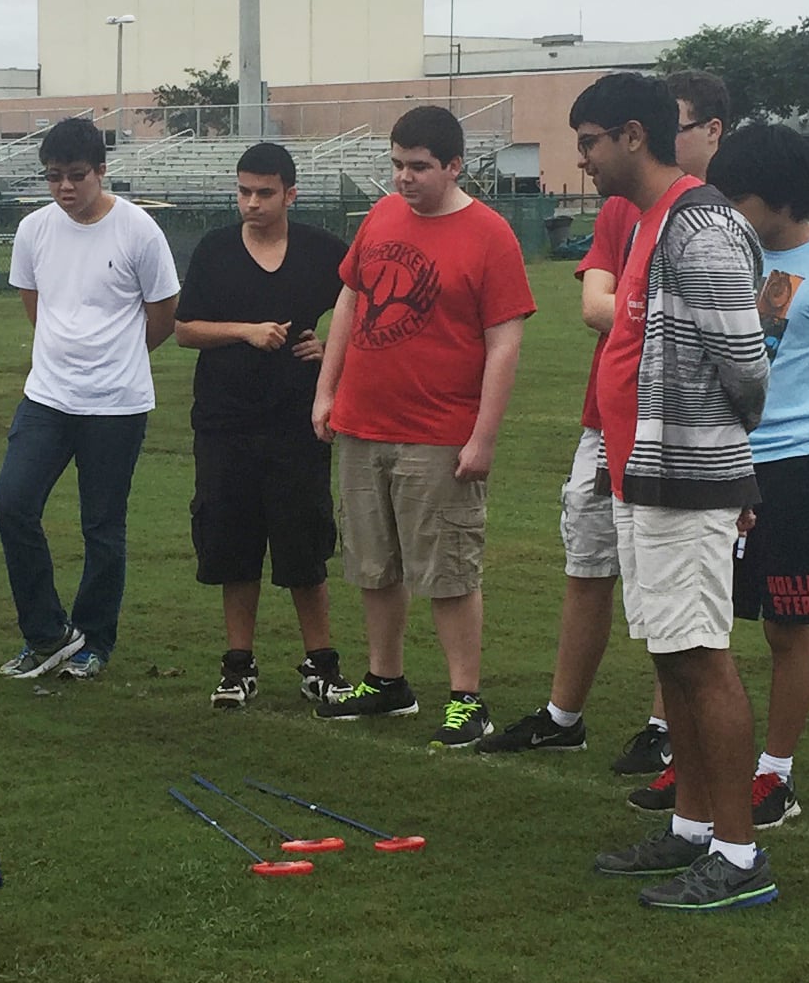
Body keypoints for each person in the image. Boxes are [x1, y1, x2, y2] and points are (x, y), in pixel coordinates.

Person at [577, 73, 778, 912]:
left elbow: (747, 363)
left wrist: (717, 461)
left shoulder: (701, 226)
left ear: (631, 135)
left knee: (701, 658)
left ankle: (738, 854)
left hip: (688, 478)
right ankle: (693, 829)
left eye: (588, 141)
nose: (581, 158)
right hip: (645, 474)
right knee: (670, 654)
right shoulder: (654, 222)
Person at [309, 104, 534, 746]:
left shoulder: (490, 235)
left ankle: (467, 696)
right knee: (372, 564)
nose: (404, 179)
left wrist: (483, 436)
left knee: (448, 571)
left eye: (419, 168)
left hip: (439, 431)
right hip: (364, 423)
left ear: (454, 166)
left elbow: (504, 343)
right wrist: (327, 389)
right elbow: (352, 299)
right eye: (397, 166)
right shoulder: (381, 217)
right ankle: (386, 681)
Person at [691, 121, 809, 828]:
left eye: (737, 199)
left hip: (802, 467)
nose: (727, 214)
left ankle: (775, 774)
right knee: (707, 616)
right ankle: (700, 755)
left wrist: (797, 407)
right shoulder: (733, 258)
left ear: (777, 198)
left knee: (786, 624)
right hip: (725, 462)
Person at [475, 180, 656, 767]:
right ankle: (562, 717)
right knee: (587, 563)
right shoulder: (621, 208)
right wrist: (658, 308)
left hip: (673, 422)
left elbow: (625, 309)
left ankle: (667, 725)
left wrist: (630, 306)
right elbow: (593, 308)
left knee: (664, 572)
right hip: (605, 417)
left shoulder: (707, 207)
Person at [0, 115, 180, 681]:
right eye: (54, 177)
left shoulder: (139, 231)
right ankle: (48, 633)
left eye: (76, 176)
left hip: (116, 405)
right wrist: (63, 354)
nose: (65, 188)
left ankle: (95, 638)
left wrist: (116, 359)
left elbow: (164, 313)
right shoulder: (34, 230)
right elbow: (35, 299)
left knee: (102, 526)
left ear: (102, 171)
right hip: (46, 398)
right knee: (12, 505)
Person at [172, 142, 349, 709]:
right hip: (225, 421)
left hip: (299, 422)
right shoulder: (216, 250)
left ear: (290, 194)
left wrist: (333, 348)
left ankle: (321, 663)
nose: (252, 202)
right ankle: (238, 664)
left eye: (265, 193)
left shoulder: (322, 250)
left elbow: (364, 309)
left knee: (304, 544)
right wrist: (244, 331)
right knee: (232, 543)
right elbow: (185, 329)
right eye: (244, 191)